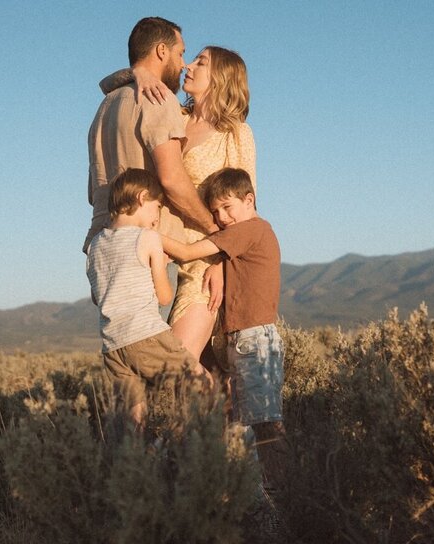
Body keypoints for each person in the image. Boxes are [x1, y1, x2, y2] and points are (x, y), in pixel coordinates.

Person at [101, 45, 256, 366]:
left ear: (221, 77)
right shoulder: (172, 114)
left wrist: (222, 264)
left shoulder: (237, 134)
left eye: (201, 62)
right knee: (147, 362)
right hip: (157, 251)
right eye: (191, 58)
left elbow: (246, 213)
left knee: (179, 362)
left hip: (205, 260)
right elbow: (108, 85)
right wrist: (140, 72)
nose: (187, 65)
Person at [159, 167, 286, 489]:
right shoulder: (247, 233)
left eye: (227, 207)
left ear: (249, 199)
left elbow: (188, 252)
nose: (221, 217)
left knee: (265, 423)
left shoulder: (249, 230)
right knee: (245, 421)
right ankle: (256, 489)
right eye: (215, 211)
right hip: (241, 339)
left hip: (254, 339)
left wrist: (146, 237)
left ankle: (285, 488)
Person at [85, 17, 217, 261]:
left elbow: (93, 192)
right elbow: (171, 178)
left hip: (103, 248)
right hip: (151, 249)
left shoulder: (105, 106)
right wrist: (212, 227)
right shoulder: (159, 98)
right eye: (180, 54)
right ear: (161, 50)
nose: (183, 65)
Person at [86, 168, 204, 428]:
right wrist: (159, 263)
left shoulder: (95, 245)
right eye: (157, 206)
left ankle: (137, 465)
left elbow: (97, 298)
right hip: (147, 337)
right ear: (142, 198)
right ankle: (203, 453)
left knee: (134, 419)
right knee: (202, 383)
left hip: (113, 347)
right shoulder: (148, 238)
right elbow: (164, 297)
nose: (157, 215)